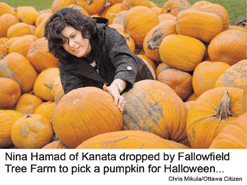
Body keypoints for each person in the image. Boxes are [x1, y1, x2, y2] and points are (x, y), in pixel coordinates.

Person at [44, 7, 153, 112]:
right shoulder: (66, 60)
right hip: (107, 106)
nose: (71, 44)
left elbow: (124, 61)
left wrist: (116, 86)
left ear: (84, 30)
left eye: (73, 36)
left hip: (139, 88)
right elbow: (74, 93)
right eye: (64, 42)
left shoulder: (106, 35)